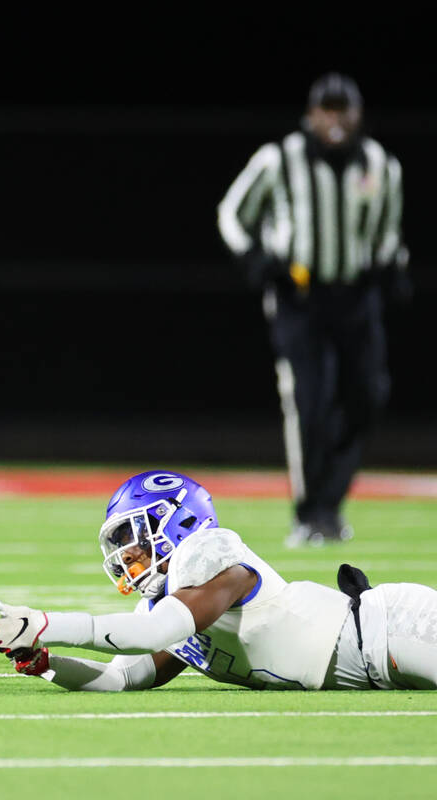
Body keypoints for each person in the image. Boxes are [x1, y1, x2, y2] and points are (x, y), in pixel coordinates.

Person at [0, 470, 437, 692]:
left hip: (390, 629)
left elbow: (157, 633)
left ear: (175, 521)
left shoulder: (209, 554)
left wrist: (42, 620)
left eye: (131, 536)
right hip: (373, 663)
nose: (127, 554)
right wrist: (46, 662)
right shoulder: (170, 601)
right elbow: (123, 678)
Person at [216, 73, 408, 547]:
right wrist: (260, 261)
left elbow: (386, 229)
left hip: (356, 298)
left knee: (367, 398)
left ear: (357, 114)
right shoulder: (280, 158)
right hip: (300, 298)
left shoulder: (381, 164)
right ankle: (310, 515)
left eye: (344, 109)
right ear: (312, 114)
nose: (336, 119)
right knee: (309, 403)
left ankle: (330, 501)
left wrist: (390, 268)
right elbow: (232, 212)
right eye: (328, 109)